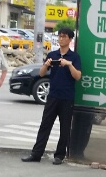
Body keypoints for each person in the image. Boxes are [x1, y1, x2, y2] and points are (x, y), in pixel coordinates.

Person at [22, 27, 82, 165]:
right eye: (59, 36)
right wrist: (47, 64)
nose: (61, 39)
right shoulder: (52, 54)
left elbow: (78, 76)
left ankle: (59, 155)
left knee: (65, 128)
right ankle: (36, 154)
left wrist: (69, 65)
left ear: (70, 39)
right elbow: (41, 73)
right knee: (45, 125)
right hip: (53, 96)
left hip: (67, 97)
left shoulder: (74, 57)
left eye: (64, 36)